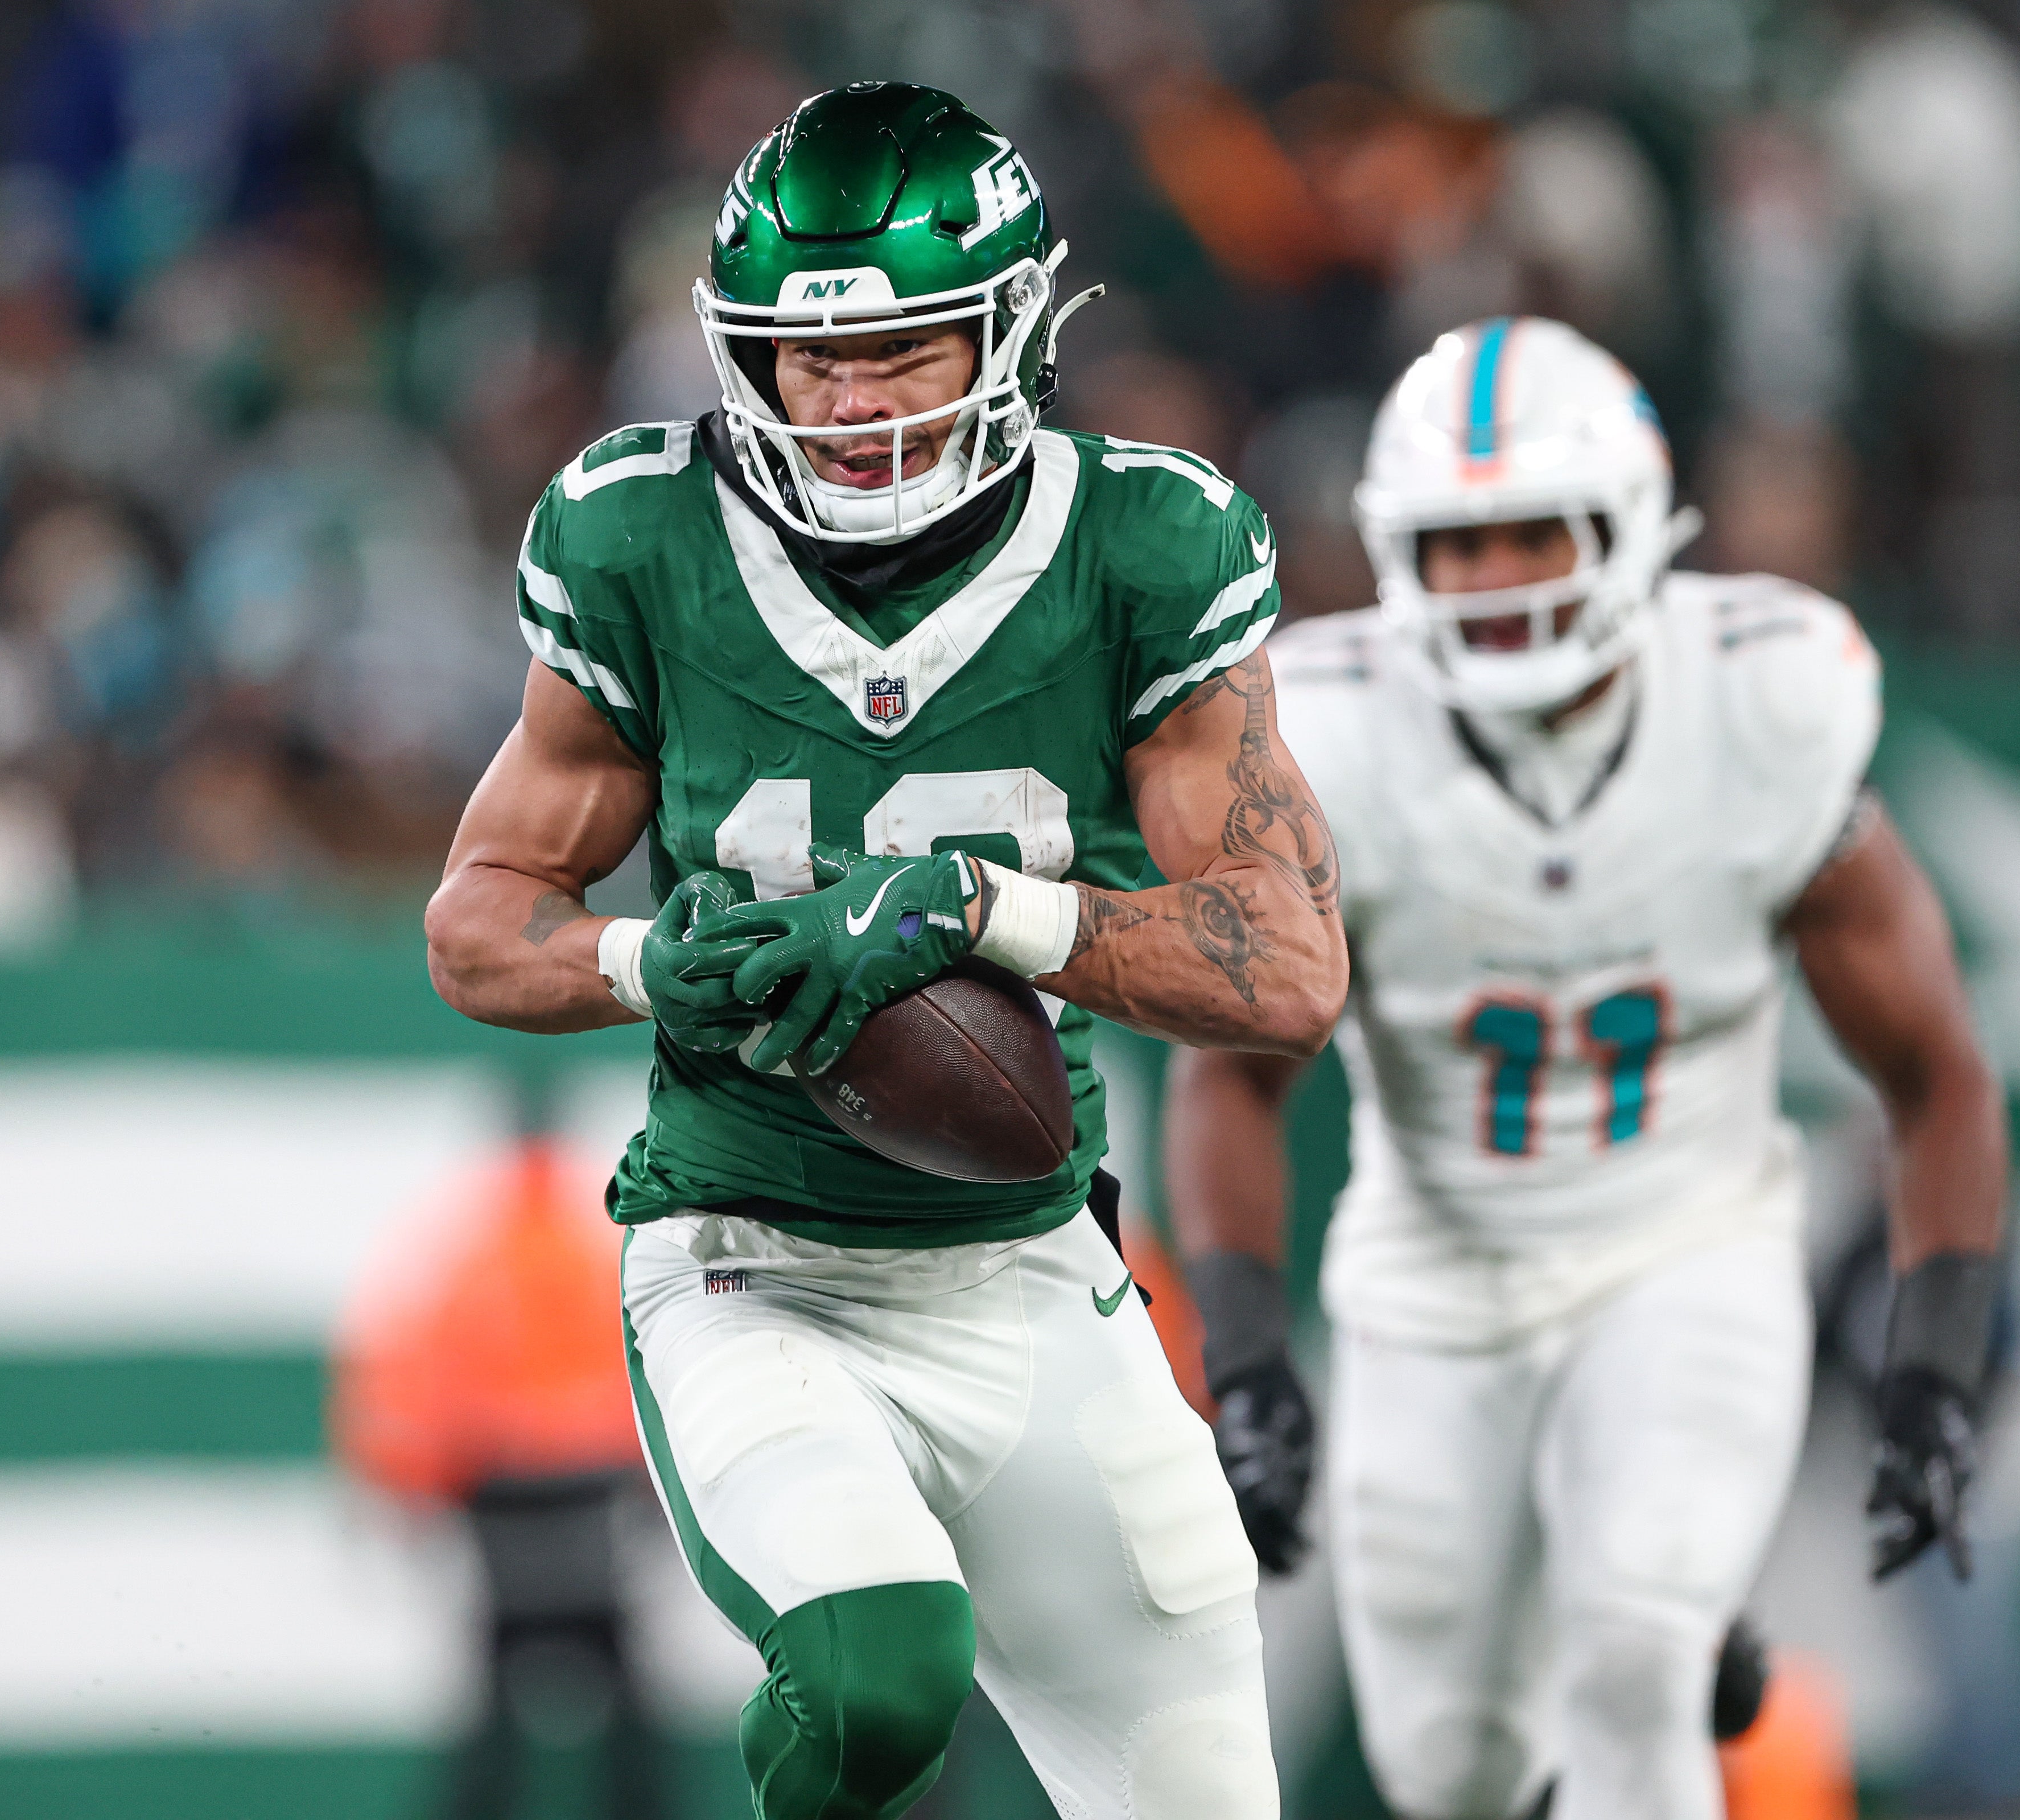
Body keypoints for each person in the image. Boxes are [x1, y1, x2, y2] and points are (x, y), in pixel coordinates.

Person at [423, 81, 1347, 1820]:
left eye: (902, 350)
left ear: (1011, 330)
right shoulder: (641, 534)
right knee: (875, 1672)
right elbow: (476, 922)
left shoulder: (1143, 544)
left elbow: (1286, 966)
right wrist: (641, 962)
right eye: (803, 358)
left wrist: (978, 908)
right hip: (751, 1263)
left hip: (1027, 1264)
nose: (845, 403)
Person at [1163, 316, 2006, 1820]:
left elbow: (1938, 1070)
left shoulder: (1760, 697)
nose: (1493, 583)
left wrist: (1935, 1365)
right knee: (1452, 1765)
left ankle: (1661, 1627)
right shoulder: (1323, 735)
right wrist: (1245, 1357)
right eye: (1455, 543)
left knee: (1634, 1658)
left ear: (1628, 525)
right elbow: (1230, 1076)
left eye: (1526, 534)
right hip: (1433, 1272)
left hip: (1686, 1244)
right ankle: (1648, 1622)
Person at [328, 1104, 663, 1820]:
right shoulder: (593, 1243)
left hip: (495, 1501)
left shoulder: (463, 1256)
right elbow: (649, 1365)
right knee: (625, 1702)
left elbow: (409, 1380)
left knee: (493, 1704)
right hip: (595, 1495)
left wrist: (409, 1489)